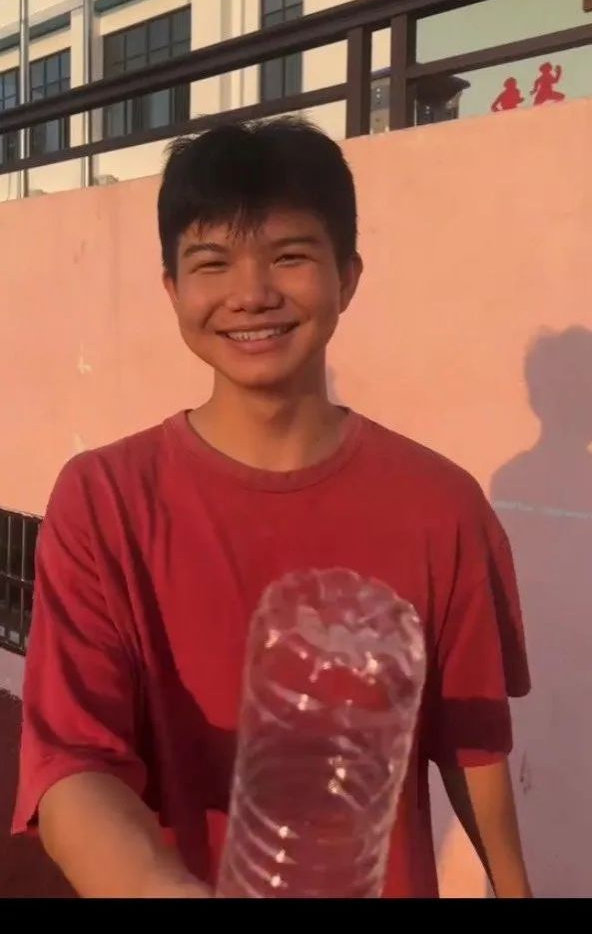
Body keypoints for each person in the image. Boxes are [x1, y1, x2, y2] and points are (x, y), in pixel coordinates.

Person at [13, 118, 532, 899]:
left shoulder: (443, 505)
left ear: (347, 276)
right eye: (212, 262)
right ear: (172, 289)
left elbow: (474, 743)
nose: (251, 293)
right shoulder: (103, 501)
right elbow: (70, 768)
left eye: (289, 256)